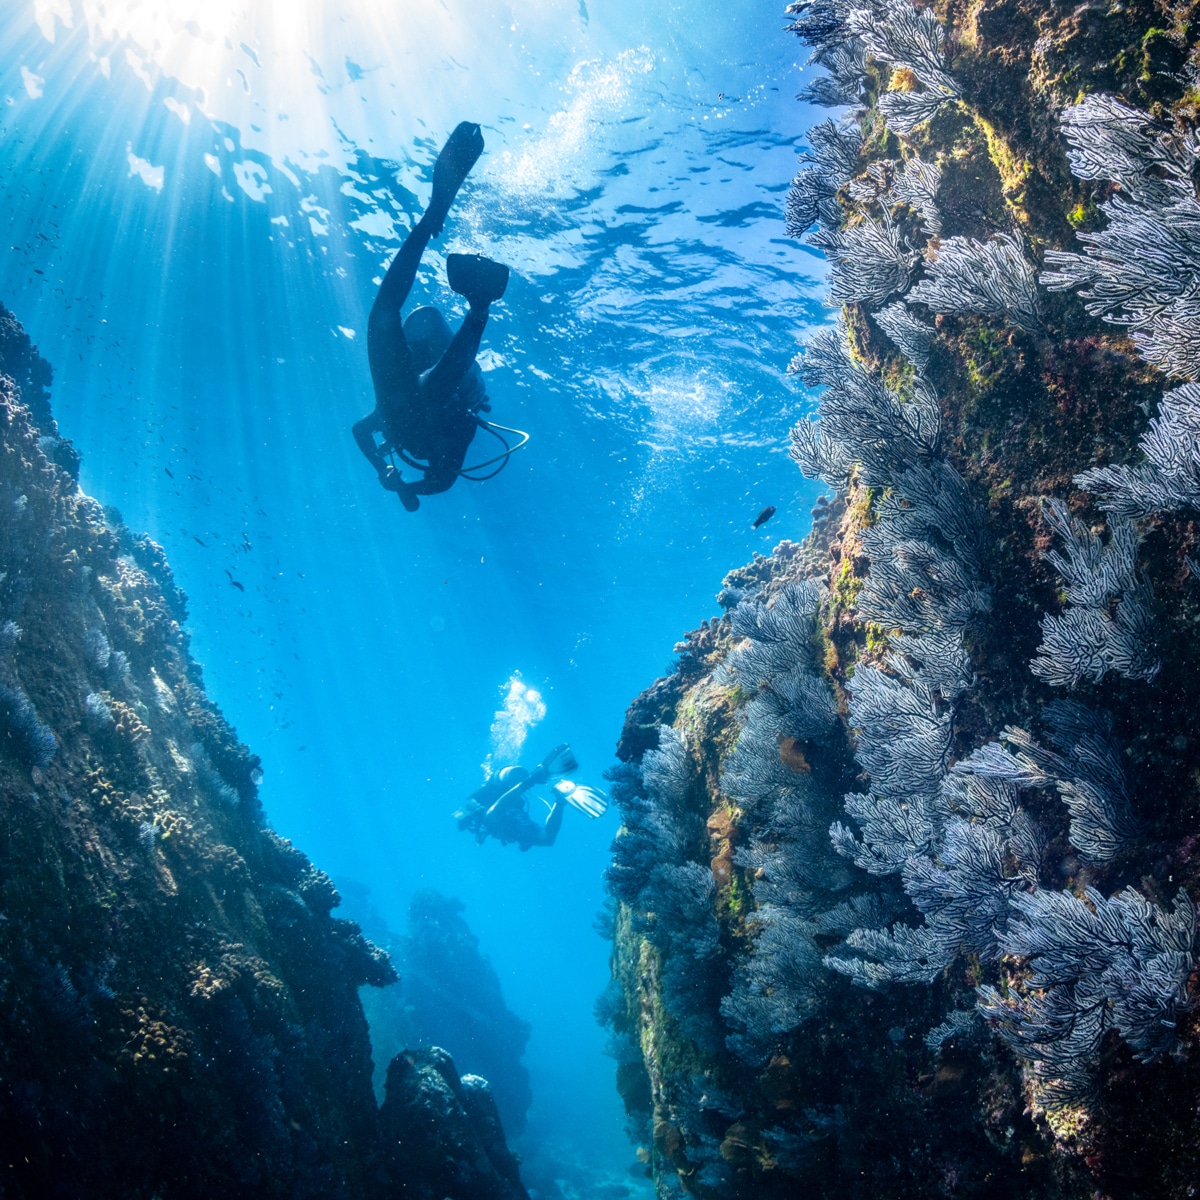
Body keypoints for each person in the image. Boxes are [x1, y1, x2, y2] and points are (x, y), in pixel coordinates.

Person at [352, 122, 511, 512]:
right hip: (419, 404)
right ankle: (479, 304)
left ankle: (430, 221)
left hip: (409, 405)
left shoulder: (416, 419)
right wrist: (401, 485)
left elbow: (361, 432)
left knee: (381, 319)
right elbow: (440, 482)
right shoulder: (449, 428)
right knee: (431, 381)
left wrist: (391, 480)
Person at [455, 743, 608, 852]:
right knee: (492, 817)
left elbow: (546, 838)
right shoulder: (490, 805)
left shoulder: (515, 813)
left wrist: (559, 803)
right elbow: (496, 811)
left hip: (509, 818)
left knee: (542, 838)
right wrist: (530, 782)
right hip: (498, 816)